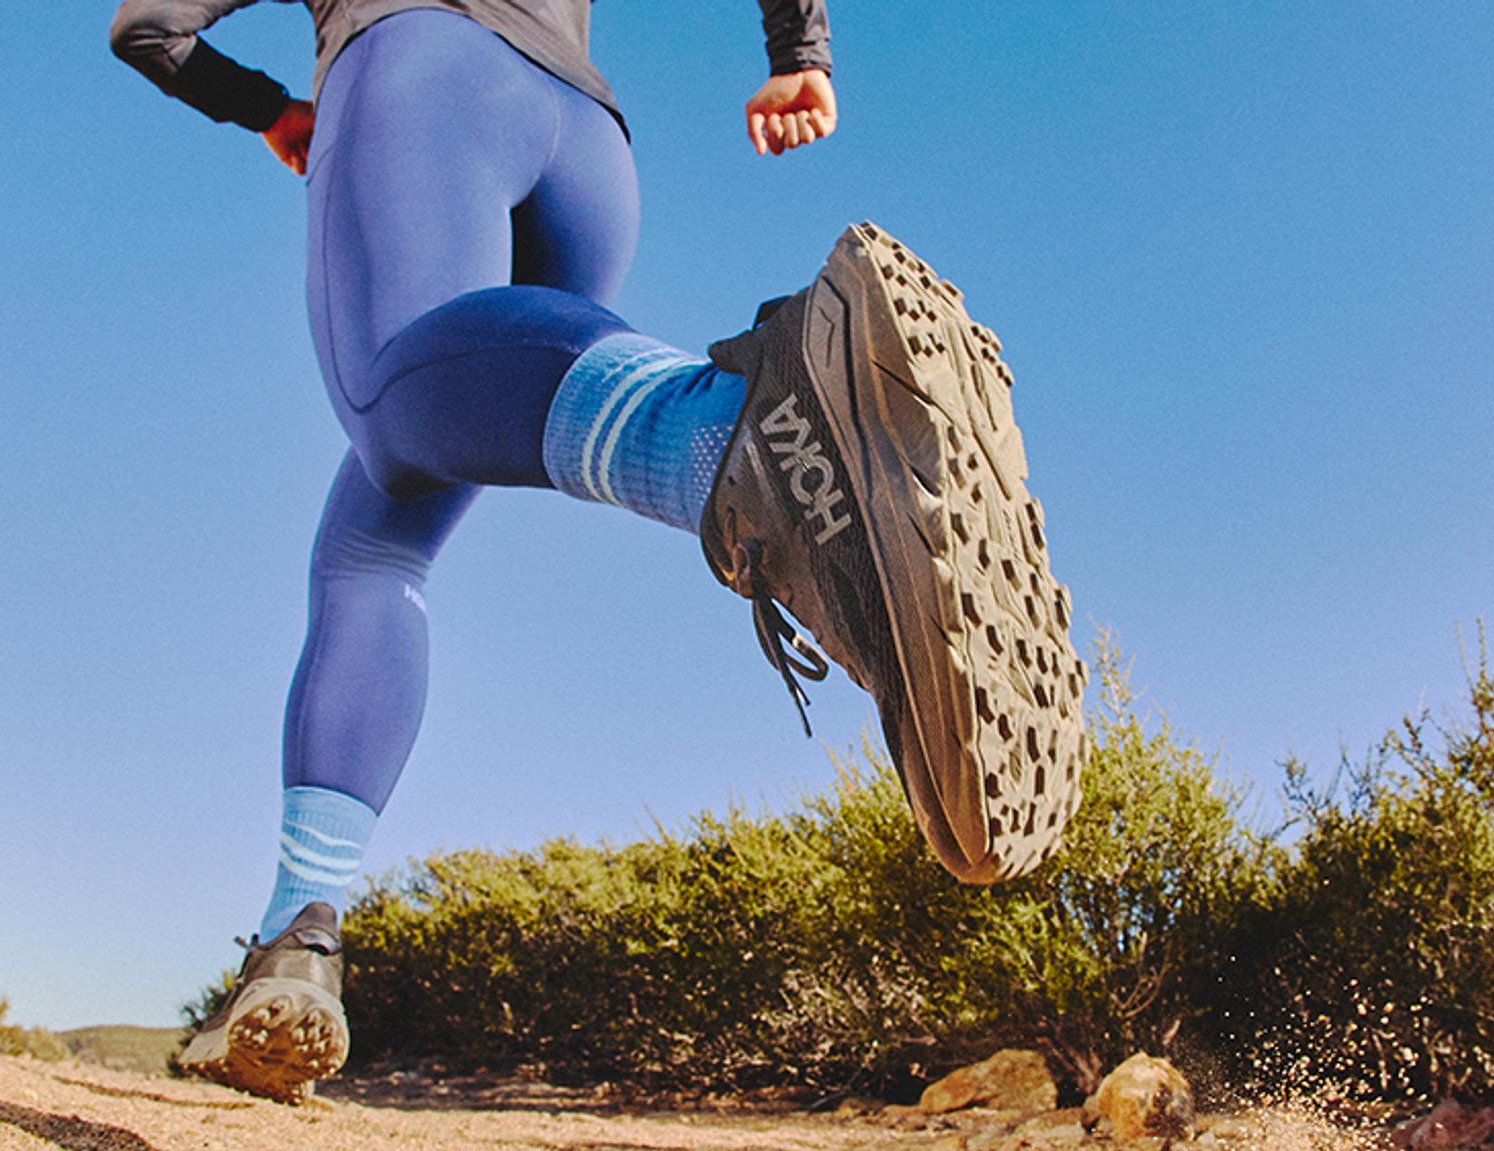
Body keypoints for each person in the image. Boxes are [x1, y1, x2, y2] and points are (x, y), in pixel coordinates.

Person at [110, 0, 1088, 1103]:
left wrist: (272, 110)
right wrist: (798, 54)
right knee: (377, 535)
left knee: (390, 400)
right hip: (585, 153)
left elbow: (148, 28)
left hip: (417, 77)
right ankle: (297, 937)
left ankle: (743, 436)